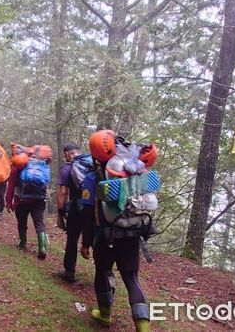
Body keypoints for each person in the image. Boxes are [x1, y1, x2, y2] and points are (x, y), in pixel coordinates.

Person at [80, 130, 151, 331]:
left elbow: (87, 215)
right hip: (131, 235)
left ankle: (104, 315)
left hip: (105, 237)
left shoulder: (93, 178)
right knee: (131, 279)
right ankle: (143, 327)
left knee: (102, 272)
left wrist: (86, 243)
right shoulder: (134, 173)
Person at [6, 153, 50, 260]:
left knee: (22, 222)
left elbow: (11, 186)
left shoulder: (18, 167)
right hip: (39, 200)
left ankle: (23, 242)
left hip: (22, 200)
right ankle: (42, 248)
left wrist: (9, 202)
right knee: (39, 223)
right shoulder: (42, 166)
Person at [56, 143, 83, 283]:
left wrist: (60, 212)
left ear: (66, 154)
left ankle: (69, 272)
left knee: (72, 239)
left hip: (76, 209)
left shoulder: (66, 168)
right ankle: (106, 273)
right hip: (93, 208)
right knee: (95, 241)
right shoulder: (91, 165)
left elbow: (63, 192)